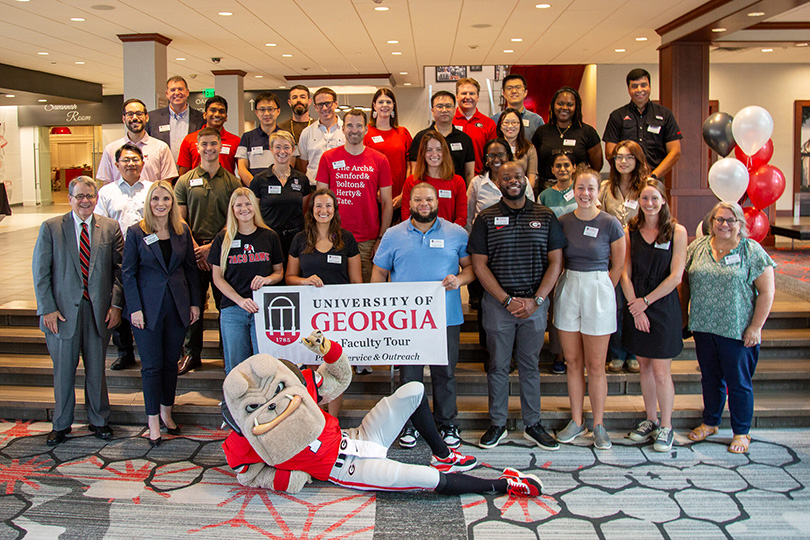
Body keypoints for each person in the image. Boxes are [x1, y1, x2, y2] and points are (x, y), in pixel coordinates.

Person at [468, 161, 564, 451]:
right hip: (499, 305)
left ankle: (532, 424)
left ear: (526, 180)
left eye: (518, 176)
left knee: (530, 366)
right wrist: (505, 300)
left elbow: (556, 261)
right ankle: (497, 424)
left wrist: (537, 300)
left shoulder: (545, 216)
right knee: (497, 365)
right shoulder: (486, 218)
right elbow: (479, 265)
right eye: (506, 177)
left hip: (535, 304)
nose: (513, 180)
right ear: (498, 182)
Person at [372, 182, 474, 450]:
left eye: (429, 199)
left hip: (446, 317)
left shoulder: (456, 233)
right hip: (406, 321)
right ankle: (412, 423)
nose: (424, 204)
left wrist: (459, 280)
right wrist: (380, 307)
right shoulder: (393, 235)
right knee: (410, 375)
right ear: (409, 202)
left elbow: (471, 269)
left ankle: (447, 423)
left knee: (445, 372)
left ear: (437, 202)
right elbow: (379, 273)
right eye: (418, 199)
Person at [33, 176, 123, 445]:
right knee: (63, 371)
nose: (85, 201)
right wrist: (47, 308)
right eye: (80, 196)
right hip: (60, 315)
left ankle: (99, 420)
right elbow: (41, 272)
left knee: (96, 370)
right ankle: (61, 424)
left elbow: (120, 272)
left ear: (97, 198)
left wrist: (116, 304)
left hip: (99, 313)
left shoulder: (110, 227)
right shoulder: (51, 227)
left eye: (90, 196)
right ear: (70, 198)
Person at [682, 202, 775, 454]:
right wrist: (684, 316)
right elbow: (686, 284)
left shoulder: (751, 250)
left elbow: (767, 292)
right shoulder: (697, 247)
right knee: (710, 378)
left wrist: (756, 327)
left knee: (738, 383)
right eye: (719, 219)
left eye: (731, 220)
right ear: (711, 222)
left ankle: (741, 431)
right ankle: (710, 422)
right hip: (704, 326)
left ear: (740, 224)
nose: (724, 224)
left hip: (737, 329)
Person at [122, 180, 200, 446]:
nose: (161, 204)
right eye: (155, 199)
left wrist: (194, 304)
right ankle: (152, 419)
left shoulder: (181, 231)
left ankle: (167, 412)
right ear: (148, 202)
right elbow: (128, 273)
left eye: (166, 199)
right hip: (147, 310)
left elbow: (190, 269)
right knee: (152, 367)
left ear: (172, 203)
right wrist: (134, 308)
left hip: (177, 306)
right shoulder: (136, 232)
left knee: (170, 364)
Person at [554, 165, 625, 450]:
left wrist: (604, 289)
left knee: (596, 365)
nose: (585, 193)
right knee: (573, 362)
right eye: (580, 188)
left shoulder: (610, 223)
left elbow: (618, 265)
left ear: (598, 192)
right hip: (569, 285)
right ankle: (576, 420)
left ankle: (598, 424)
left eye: (590, 189)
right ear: (574, 190)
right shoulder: (563, 221)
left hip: (598, 287)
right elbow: (556, 259)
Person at [620, 179, 687, 452]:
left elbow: (676, 276)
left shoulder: (676, 231)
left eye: (654, 198)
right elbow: (624, 272)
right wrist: (634, 306)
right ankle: (650, 419)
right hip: (636, 304)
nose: (649, 204)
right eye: (645, 199)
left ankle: (667, 426)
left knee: (661, 370)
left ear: (664, 200)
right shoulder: (630, 230)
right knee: (644, 367)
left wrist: (645, 303)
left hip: (662, 306)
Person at [286, 188, 362, 410]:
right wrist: (304, 281)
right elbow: (289, 278)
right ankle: (315, 420)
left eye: (328, 206)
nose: (323, 210)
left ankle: (333, 422)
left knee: (335, 368)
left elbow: (356, 282)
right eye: (318, 205)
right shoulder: (300, 239)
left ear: (335, 210)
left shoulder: (346, 239)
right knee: (312, 369)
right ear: (311, 210)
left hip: (338, 314)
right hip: (309, 313)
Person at [174, 127, 241, 375]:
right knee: (194, 303)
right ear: (198, 147)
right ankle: (191, 354)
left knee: (226, 303)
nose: (209, 149)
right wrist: (195, 248)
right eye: (204, 144)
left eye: (214, 144)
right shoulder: (184, 181)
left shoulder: (232, 182)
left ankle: (228, 353)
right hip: (192, 250)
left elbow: (235, 218)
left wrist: (212, 247)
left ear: (220, 146)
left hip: (224, 248)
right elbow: (180, 219)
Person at [209, 188, 285, 374]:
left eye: (248, 203)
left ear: (255, 206)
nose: (244, 208)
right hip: (233, 309)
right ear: (232, 209)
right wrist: (240, 300)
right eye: (239, 205)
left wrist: (267, 279)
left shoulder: (269, 236)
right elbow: (217, 278)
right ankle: (234, 403)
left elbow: (279, 272)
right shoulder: (223, 239)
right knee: (236, 368)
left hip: (262, 309)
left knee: (264, 366)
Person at [315, 108, 393, 283]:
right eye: (350, 125)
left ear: (366, 129)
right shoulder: (328, 158)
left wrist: (381, 239)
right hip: (333, 237)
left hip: (368, 240)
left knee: (365, 293)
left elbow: (387, 203)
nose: (354, 130)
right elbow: (319, 202)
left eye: (359, 125)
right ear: (343, 129)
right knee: (334, 289)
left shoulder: (380, 160)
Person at [95, 143, 152, 371]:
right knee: (117, 299)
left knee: (146, 301)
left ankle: (147, 350)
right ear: (116, 164)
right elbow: (99, 223)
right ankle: (124, 351)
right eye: (125, 160)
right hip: (116, 254)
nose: (130, 164)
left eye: (135, 159)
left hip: (147, 255)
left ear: (142, 163)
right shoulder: (107, 192)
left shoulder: (151, 189)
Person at [600, 140, 650, 374]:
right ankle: (618, 352)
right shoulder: (606, 187)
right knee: (616, 304)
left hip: (640, 254)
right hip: (612, 256)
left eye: (629, 157)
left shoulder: (647, 188)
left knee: (635, 303)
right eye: (619, 157)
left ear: (637, 160)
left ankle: (634, 352)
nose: (623, 161)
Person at [537, 150, 577, 375]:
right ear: (552, 170)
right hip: (551, 256)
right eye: (558, 166)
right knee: (555, 307)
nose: (562, 169)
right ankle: (558, 354)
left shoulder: (581, 189)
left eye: (566, 165)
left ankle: (575, 354)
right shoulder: (544, 196)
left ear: (573, 168)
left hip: (577, 255)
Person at [603, 68, 682, 179]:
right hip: (625, 180)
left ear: (649, 87)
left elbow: (675, 151)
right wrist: (627, 173)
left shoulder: (665, 114)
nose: (639, 90)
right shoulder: (617, 116)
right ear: (628, 89)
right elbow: (610, 153)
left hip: (655, 179)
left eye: (643, 85)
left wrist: (653, 176)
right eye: (634, 86)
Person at [248, 130, 312, 258]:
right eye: (278, 147)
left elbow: (304, 210)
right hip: (268, 238)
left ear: (293, 150)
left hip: (296, 238)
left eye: (286, 147)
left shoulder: (302, 179)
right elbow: (254, 211)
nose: (282, 152)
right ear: (271, 149)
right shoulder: (259, 180)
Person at [531, 87, 601, 190]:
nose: (564, 107)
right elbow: (534, 162)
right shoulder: (542, 132)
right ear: (553, 105)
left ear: (576, 107)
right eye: (560, 103)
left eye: (569, 105)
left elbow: (597, 166)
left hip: (576, 189)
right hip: (545, 189)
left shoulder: (587, 132)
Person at [97, 98, 177, 185]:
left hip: (150, 198)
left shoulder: (161, 148)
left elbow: (166, 183)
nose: (135, 118)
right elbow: (107, 184)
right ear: (124, 119)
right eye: (130, 114)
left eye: (139, 114)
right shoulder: (111, 149)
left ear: (146, 117)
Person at [465, 139, 534, 233]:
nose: (496, 159)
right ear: (486, 159)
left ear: (508, 156)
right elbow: (469, 217)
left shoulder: (521, 181)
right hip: (484, 235)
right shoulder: (477, 183)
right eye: (491, 156)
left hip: (517, 235)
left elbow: (531, 211)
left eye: (501, 155)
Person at [400, 132, 467, 226]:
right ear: (423, 153)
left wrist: (449, 234)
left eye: (439, 149)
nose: (434, 154)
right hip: (418, 236)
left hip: (448, 236)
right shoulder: (411, 181)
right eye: (429, 150)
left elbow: (461, 217)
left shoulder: (457, 181)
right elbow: (406, 215)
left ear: (445, 152)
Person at [409, 91, 475, 184]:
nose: (444, 110)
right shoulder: (420, 138)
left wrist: (467, 196)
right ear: (432, 110)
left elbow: (469, 173)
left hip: (456, 193)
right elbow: (415, 171)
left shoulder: (465, 139)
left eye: (448, 106)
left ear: (455, 109)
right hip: (428, 193)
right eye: (439, 106)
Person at [365, 88, 413, 214]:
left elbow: (410, 167)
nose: (385, 105)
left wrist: (404, 193)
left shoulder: (403, 132)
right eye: (381, 102)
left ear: (394, 106)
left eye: (389, 102)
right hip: (372, 195)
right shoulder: (366, 132)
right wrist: (375, 192)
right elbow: (361, 166)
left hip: (399, 195)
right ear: (374, 106)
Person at [146, 76, 206, 162]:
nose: (177, 93)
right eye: (173, 90)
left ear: (187, 92)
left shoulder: (201, 118)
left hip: (192, 172)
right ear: (167, 94)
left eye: (180, 89)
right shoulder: (152, 118)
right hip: (162, 172)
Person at [177, 96, 241, 176]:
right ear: (204, 115)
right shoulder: (190, 140)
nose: (217, 114)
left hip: (227, 187)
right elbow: (183, 173)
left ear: (226, 118)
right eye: (213, 110)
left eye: (221, 111)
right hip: (196, 187)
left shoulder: (236, 141)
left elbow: (241, 171)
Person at [298, 87, 345, 185]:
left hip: (341, 186)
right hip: (313, 186)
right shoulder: (307, 132)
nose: (324, 108)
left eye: (328, 103)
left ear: (335, 104)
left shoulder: (346, 131)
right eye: (320, 105)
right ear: (315, 107)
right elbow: (303, 164)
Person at [453, 78, 497, 176]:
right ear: (456, 97)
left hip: (480, 178)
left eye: (472, 94)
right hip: (452, 179)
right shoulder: (448, 121)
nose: (467, 97)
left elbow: (493, 155)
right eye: (464, 93)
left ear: (477, 97)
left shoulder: (488, 123)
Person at [236, 91, 282, 184]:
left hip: (278, 190)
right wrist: (257, 188)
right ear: (256, 112)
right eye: (262, 110)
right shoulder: (247, 137)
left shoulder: (286, 137)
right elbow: (242, 169)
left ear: (278, 111)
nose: (266, 113)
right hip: (254, 192)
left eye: (270, 109)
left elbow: (290, 165)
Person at [492, 73, 544, 141]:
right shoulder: (495, 120)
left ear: (525, 92)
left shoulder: (536, 120)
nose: (514, 91)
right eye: (509, 88)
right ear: (503, 93)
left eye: (518, 87)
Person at [496, 108, 538, 191]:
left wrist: (523, 193)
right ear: (500, 126)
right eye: (506, 122)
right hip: (497, 192)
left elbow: (532, 176)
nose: (510, 126)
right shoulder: (495, 148)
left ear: (520, 125)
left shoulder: (529, 148)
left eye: (514, 122)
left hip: (522, 193)